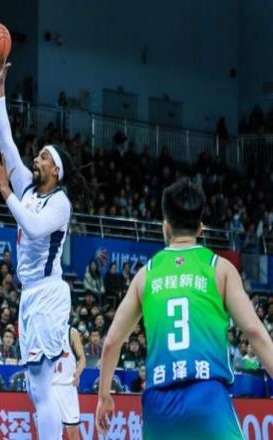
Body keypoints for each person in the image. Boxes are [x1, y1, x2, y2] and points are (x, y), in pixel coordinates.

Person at [95, 178, 273, 439]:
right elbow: (255, 332)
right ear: (200, 228)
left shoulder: (146, 274)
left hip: (159, 404)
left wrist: (104, 396)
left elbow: (111, 342)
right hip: (207, 396)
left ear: (165, 226)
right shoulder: (219, 268)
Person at [0, 60, 84, 440]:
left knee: (42, 388)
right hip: (29, 295)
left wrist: (5, 192)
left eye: (43, 156)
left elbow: (34, 226)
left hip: (49, 293)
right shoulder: (27, 186)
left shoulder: (61, 202)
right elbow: (6, 143)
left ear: (55, 169)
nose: (35, 159)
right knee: (35, 389)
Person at [52, 326, 86, 440]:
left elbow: (82, 358)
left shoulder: (71, 332)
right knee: (47, 431)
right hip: (49, 387)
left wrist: (78, 373)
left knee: (73, 433)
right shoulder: (43, 329)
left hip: (67, 387)